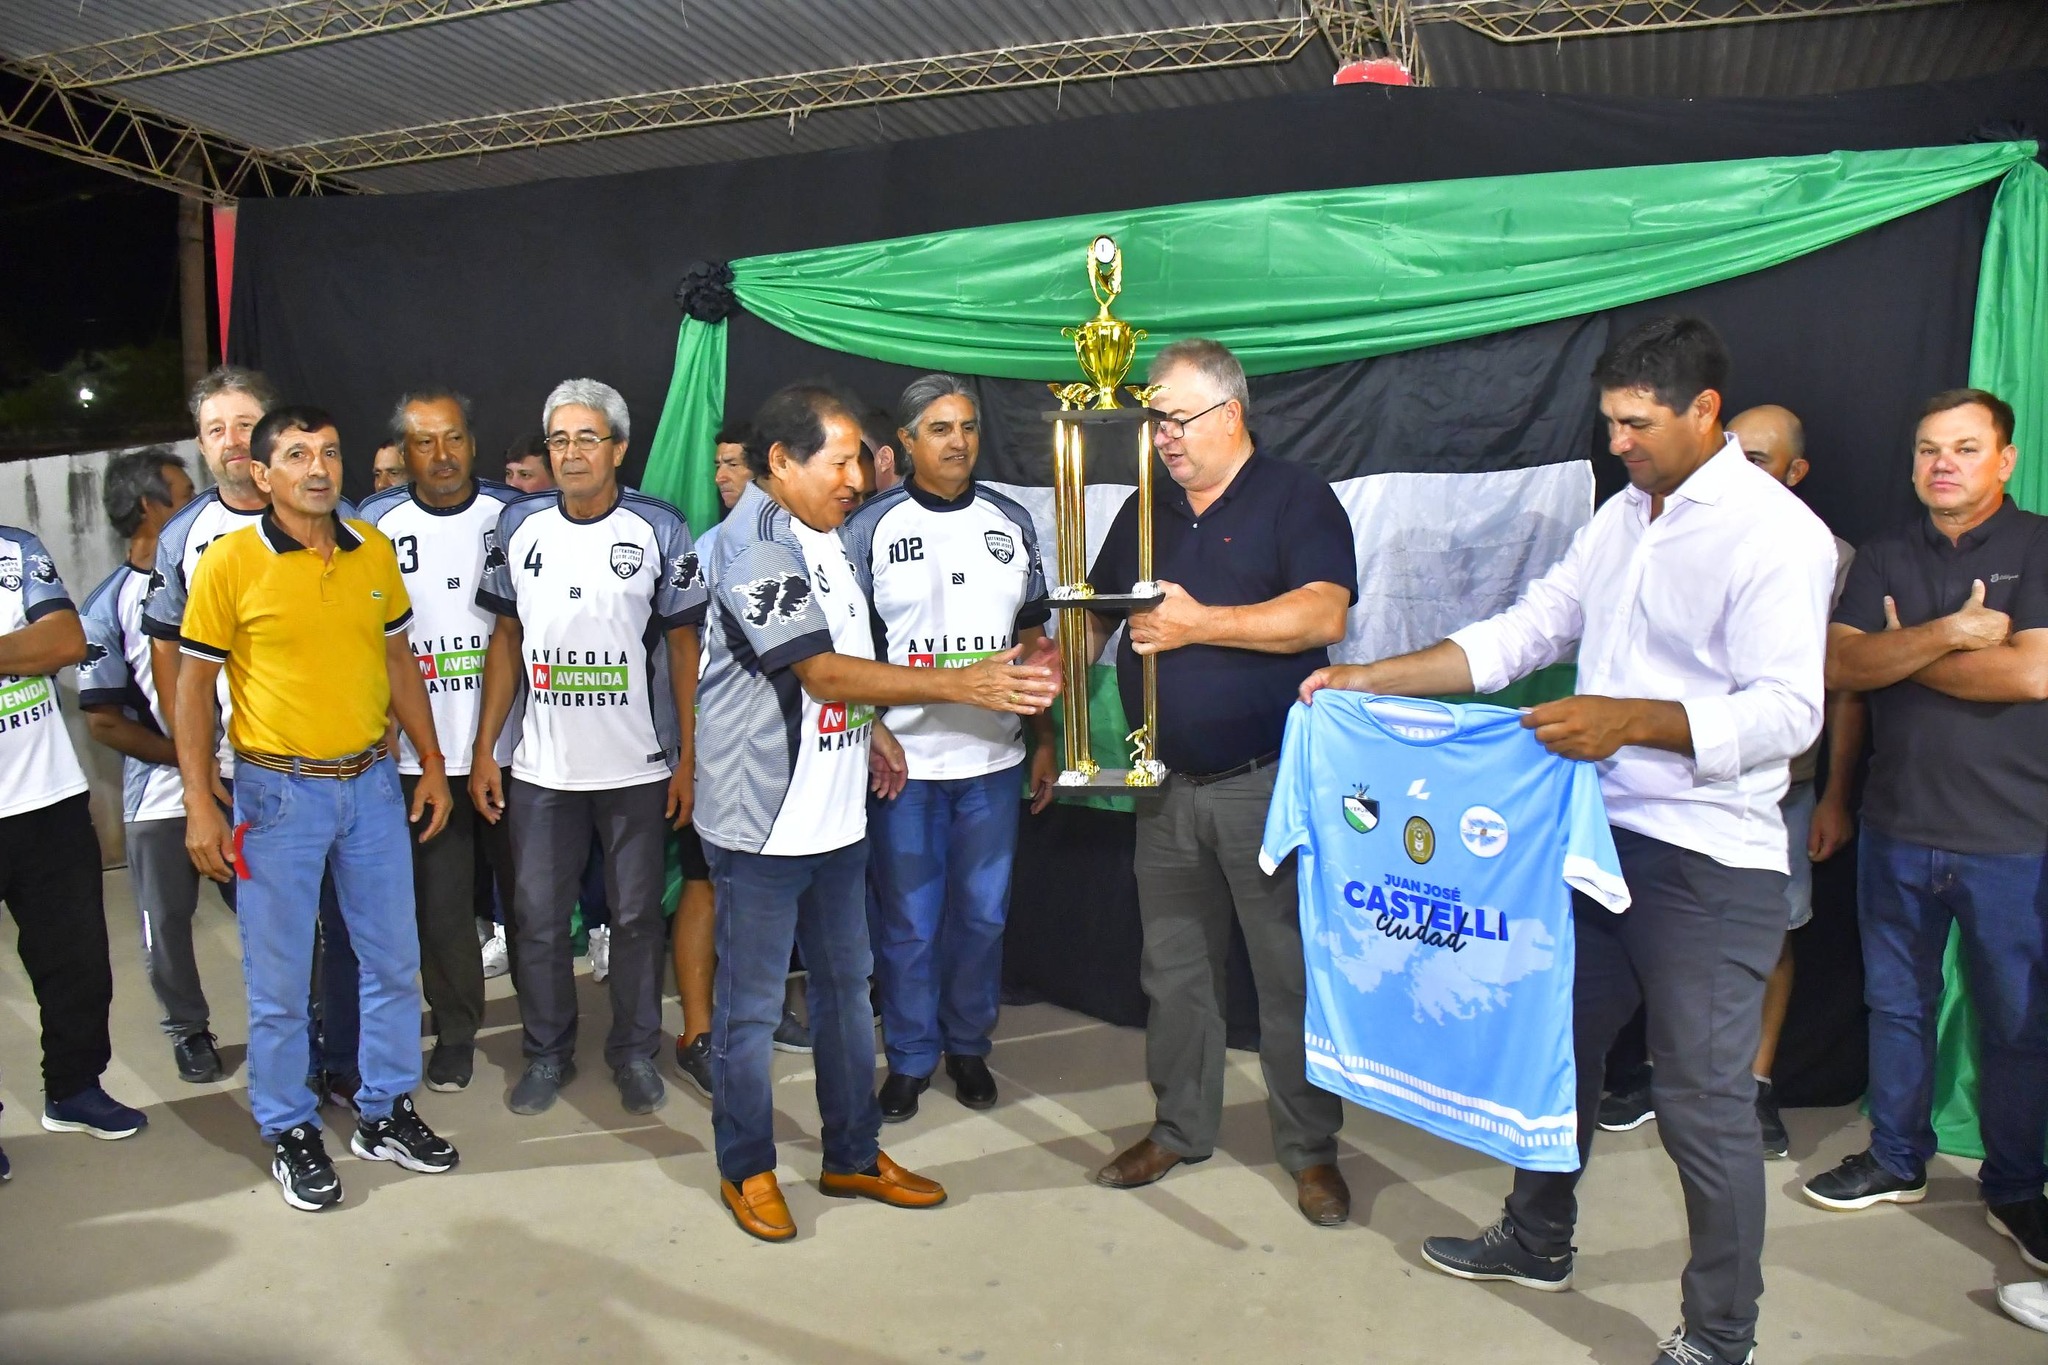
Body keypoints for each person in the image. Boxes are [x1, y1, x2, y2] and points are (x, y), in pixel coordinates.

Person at [1304, 316, 1834, 1365]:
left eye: (1637, 424)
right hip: (1594, 836)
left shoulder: (1777, 535)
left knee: (1701, 1104)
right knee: (1552, 1052)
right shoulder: (1621, 518)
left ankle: (1721, 1333)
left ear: (1704, 412)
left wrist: (1628, 720)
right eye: (1609, 422)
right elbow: (1526, 630)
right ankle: (1538, 1236)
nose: (1617, 442)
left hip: (1708, 860)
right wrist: (1369, 677)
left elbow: (1788, 713)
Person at [693, 382, 1059, 1242]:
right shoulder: (754, 546)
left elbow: (851, 665)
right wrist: (961, 685)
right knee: (750, 1012)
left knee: (847, 998)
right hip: (764, 827)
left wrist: (875, 734)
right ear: (780, 462)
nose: (858, 477)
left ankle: (852, 1151)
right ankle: (745, 1166)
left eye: (859, 459)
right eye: (839, 461)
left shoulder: (826, 536)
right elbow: (820, 672)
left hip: (837, 819)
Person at [1084, 339, 1357, 1229]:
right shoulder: (1146, 506)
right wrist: (1051, 665)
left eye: (1174, 418)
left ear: (1229, 414)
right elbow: (1098, 615)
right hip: (1162, 783)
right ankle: (1179, 1127)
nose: (1160, 435)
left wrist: (1201, 624)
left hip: (1267, 784)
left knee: (1287, 973)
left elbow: (1322, 610)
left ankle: (1311, 1149)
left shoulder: (1295, 496)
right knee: (1174, 969)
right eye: (1153, 420)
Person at [173, 404, 460, 1211]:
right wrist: (199, 801)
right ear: (262, 474)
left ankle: (385, 1109)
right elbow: (192, 688)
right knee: (279, 978)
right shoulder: (230, 563)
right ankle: (289, 1124)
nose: (319, 469)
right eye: (297, 455)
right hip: (276, 793)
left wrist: (432, 763)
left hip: (372, 785)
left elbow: (398, 659)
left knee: (391, 960)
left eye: (329, 453)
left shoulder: (371, 548)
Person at [1804, 387, 2048, 1272]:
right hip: (1897, 828)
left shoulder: (2040, 545)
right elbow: (1840, 663)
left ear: (2005, 460)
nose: (1943, 463)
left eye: (1966, 447)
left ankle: (2015, 1184)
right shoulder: (1883, 553)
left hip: (2014, 837)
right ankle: (1897, 1157)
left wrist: (1902, 653)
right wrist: (1951, 634)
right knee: (1896, 1004)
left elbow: (2030, 675)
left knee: (2016, 1021)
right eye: (1928, 448)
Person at [471, 379, 704, 1119]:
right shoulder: (518, 524)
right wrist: (486, 749)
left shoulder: (659, 527)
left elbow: (684, 650)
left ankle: (634, 1052)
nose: (571, 453)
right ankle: (546, 1051)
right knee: (539, 920)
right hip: (543, 770)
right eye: (559, 440)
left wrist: (688, 758)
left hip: (638, 766)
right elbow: (504, 640)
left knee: (635, 919)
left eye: (587, 439)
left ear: (619, 449)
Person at [143, 365, 362, 1108]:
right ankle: (292, 1076)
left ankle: (343, 1058)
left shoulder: (340, 519)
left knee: (346, 926)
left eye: (245, 424)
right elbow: (174, 667)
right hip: (245, 773)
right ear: (202, 445)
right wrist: (198, 776)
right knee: (276, 937)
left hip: (336, 768)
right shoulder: (186, 537)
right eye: (216, 429)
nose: (232, 440)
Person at [840, 374, 1057, 1121]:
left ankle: (967, 1045)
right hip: (904, 766)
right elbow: (843, 650)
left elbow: (1032, 642)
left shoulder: (1010, 521)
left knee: (983, 918)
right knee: (907, 923)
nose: (958, 441)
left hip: (992, 764)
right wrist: (869, 727)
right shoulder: (870, 528)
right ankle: (908, 1057)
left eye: (967, 426)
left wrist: (1044, 737)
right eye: (939, 428)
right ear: (904, 441)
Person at [360, 389, 520, 1093]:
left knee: (532, 903)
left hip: (514, 751)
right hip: (419, 758)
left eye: (453, 438)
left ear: (473, 443)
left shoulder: (513, 518)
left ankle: (548, 1031)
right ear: (403, 453)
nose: (442, 455)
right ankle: (456, 1032)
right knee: (442, 907)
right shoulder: (373, 524)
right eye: (424, 442)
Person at [1728, 404, 1866, 1159]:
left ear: (1795, 471)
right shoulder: (1680, 537)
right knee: (1665, 931)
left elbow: (1844, 685)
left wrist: (1837, 795)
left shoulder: (1829, 556)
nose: (1737, 467)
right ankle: (1657, 1074)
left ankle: (1756, 1083)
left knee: (1773, 932)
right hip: (1683, 780)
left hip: (1785, 786)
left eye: (1757, 457)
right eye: (1729, 451)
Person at [0, 522, 151, 1165]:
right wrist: (18, 648)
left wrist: (38, 648)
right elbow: (37, 646)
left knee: (78, 962)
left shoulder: (15, 549)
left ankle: (74, 1088)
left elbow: (63, 640)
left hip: (48, 802)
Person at [79, 448, 222, 1083]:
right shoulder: (106, 605)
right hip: (159, 797)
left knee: (275, 911)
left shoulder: (216, 570)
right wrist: (193, 765)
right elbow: (104, 721)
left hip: (241, 780)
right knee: (164, 921)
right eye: (185, 493)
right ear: (148, 507)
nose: (198, 502)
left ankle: (308, 1022)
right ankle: (188, 1032)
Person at [672, 418, 755, 1097]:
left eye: (734, 464)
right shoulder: (706, 550)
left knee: (773, 891)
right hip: (716, 746)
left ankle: (756, 1014)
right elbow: (685, 657)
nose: (722, 476)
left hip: (786, 754)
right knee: (702, 883)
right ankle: (697, 1030)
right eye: (718, 464)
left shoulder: (810, 544)